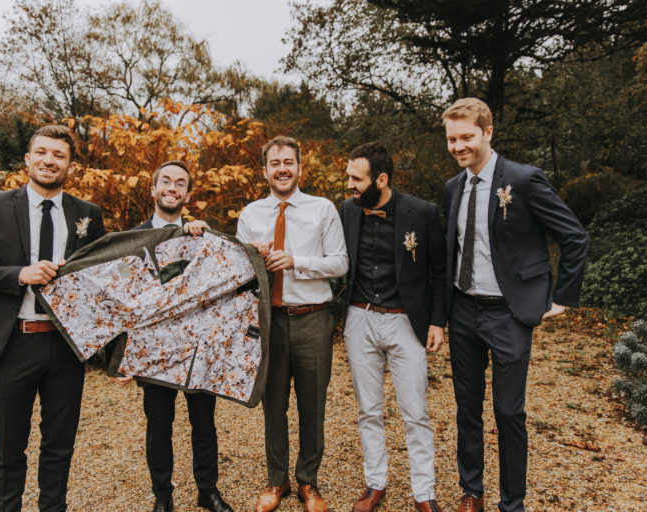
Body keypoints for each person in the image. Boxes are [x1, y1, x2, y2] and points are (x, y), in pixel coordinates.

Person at [441, 98, 588, 512]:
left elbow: (574, 237)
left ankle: (512, 504)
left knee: (508, 412)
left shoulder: (524, 180)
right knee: (467, 408)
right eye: (452, 139)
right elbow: (451, 250)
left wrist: (562, 297)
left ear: (488, 133)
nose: (458, 146)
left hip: (509, 312)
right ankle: (472, 492)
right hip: (463, 311)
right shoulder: (452, 188)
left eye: (467, 137)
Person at [0, 125, 107, 511]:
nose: (49, 161)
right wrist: (20, 274)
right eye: (42, 152)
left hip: (65, 347)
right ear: (27, 158)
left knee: (60, 445)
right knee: (8, 447)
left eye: (59, 155)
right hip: (12, 342)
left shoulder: (88, 214)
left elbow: (103, 282)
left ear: (71, 166)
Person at [109, 160, 233, 512]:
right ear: (153, 189)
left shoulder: (201, 237)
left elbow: (222, 286)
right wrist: (121, 356)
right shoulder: (131, 239)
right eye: (166, 181)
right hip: (153, 350)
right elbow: (121, 300)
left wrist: (207, 238)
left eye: (180, 183)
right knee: (159, 426)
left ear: (188, 195)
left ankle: (207, 490)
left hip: (197, 348)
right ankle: (162, 496)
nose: (172, 188)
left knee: (204, 423)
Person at [236, 135, 348, 512]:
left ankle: (308, 482)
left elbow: (340, 263)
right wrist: (254, 258)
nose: (282, 169)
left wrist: (296, 261)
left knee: (312, 406)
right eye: (275, 163)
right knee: (274, 406)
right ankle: (276, 480)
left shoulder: (322, 209)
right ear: (264, 171)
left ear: (300, 167)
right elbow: (237, 274)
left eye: (288, 162)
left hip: (313, 319)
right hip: (269, 323)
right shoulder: (250, 214)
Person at [339, 142, 447, 512]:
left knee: (415, 411)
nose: (350, 185)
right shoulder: (347, 211)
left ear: (381, 180)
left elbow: (440, 270)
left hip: (407, 320)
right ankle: (375, 484)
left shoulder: (423, 212)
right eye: (349, 177)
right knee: (368, 410)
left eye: (357, 179)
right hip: (360, 318)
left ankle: (424, 493)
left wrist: (437, 321)